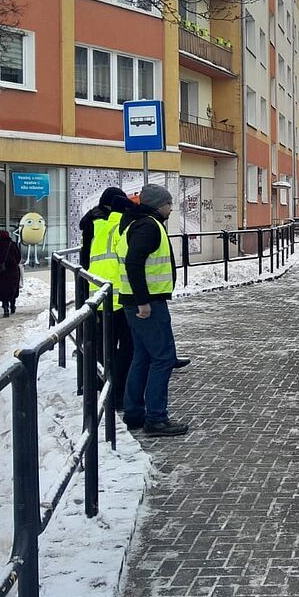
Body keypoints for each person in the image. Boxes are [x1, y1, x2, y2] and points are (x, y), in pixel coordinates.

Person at [115, 184, 188, 437]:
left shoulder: (134, 224)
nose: (171, 208)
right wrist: (143, 301)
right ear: (158, 205)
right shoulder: (148, 226)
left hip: (135, 301)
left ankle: (135, 413)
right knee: (163, 358)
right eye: (168, 203)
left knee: (143, 357)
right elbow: (134, 263)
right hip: (148, 305)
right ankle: (156, 418)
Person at [81, 187, 135, 410]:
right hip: (118, 293)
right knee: (125, 345)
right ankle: (116, 392)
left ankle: (102, 385)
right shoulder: (112, 225)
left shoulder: (93, 223)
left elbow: (86, 258)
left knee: (104, 344)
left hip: (98, 292)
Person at [0, 230, 21, 317]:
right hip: (13, 270)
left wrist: (0, 263)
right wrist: (13, 263)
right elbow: (18, 257)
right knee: (12, 289)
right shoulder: (13, 244)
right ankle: (13, 306)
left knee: (3, 290)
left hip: (1, 271)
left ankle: (5, 307)